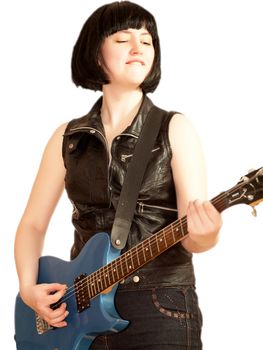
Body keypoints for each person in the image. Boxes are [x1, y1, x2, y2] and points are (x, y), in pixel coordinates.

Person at [14, 1, 222, 349]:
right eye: (123, 39)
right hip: (78, 310)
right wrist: (27, 287)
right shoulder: (67, 138)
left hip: (160, 306)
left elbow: (193, 236)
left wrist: (208, 234)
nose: (139, 47)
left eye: (147, 39)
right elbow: (33, 224)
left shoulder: (175, 128)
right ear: (96, 54)